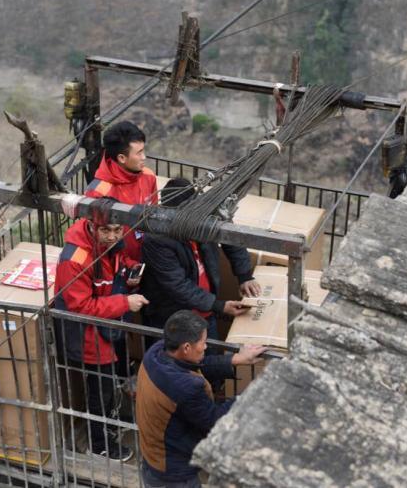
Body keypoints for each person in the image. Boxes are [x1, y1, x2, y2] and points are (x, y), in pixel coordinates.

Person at [54, 199, 149, 461]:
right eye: (105, 230)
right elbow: (80, 306)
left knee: (108, 384)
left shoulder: (112, 245)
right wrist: (124, 302)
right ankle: (99, 445)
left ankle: (107, 426)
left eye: (117, 230)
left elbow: (116, 264)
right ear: (91, 225)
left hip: (107, 324)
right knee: (101, 387)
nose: (113, 236)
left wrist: (129, 271)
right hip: (88, 333)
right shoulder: (76, 259)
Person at [136, 310, 264, 487]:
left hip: (152, 459)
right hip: (173, 474)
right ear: (187, 347)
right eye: (203, 342)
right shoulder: (185, 388)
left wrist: (235, 359)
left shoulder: (156, 352)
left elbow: (197, 366)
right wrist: (251, 394)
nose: (205, 347)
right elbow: (215, 421)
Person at [141, 177, 261, 338]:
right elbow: (177, 284)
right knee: (173, 360)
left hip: (205, 311)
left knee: (210, 358)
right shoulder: (157, 239)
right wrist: (218, 305)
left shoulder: (203, 216)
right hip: (172, 318)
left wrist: (244, 275)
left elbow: (230, 236)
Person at [85, 121, 158, 261]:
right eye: (139, 153)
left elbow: (154, 215)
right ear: (122, 158)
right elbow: (96, 239)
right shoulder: (98, 192)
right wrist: (124, 264)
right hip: (116, 264)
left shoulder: (148, 176)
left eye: (144, 150)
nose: (144, 157)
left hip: (147, 256)